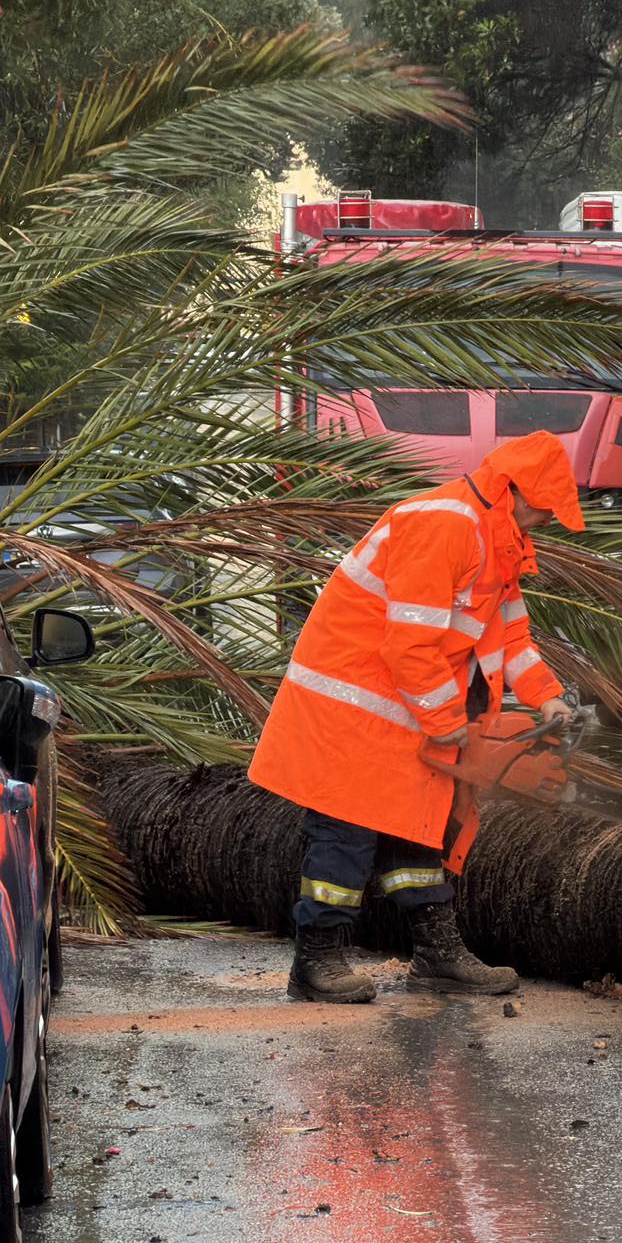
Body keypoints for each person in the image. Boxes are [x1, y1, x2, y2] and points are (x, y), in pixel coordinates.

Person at [249, 429, 581, 1003]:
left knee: (420, 828)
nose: (546, 520)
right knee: (344, 836)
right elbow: (410, 645)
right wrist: (446, 718)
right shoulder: (444, 526)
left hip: (401, 710)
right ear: (511, 491)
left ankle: (436, 955)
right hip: (353, 710)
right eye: (543, 507)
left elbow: (510, 639)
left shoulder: (496, 542)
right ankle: (316, 961)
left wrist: (546, 694)